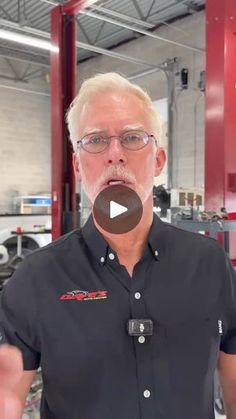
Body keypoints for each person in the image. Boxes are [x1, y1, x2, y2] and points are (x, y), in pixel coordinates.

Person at [0, 72, 236, 419]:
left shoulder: (210, 265)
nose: (115, 154)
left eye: (132, 137)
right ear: (78, 165)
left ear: (158, 160)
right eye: (95, 140)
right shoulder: (36, 279)